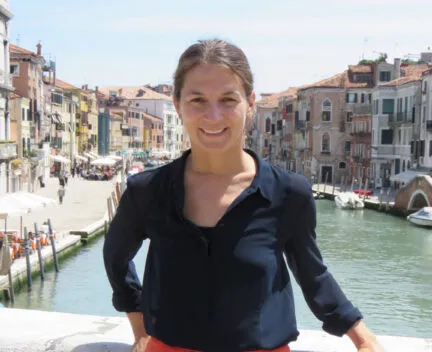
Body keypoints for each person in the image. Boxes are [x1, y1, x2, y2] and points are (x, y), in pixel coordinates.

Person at [103, 39, 384, 352]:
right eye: (197, 99)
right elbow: (115, 257)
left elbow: (312, 274)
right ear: (178, 103)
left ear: (250, 104)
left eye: (227, 99)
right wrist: (139, 327)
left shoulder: (288, 193)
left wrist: (363, 338)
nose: (213, 115)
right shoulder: (147, 191)